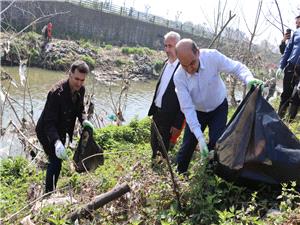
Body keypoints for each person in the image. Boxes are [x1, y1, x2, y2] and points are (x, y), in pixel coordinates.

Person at [174, 39, 263, 174]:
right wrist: (200, 138)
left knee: (217, 143)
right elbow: (187, 108)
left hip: (218, 108)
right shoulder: (179, 77)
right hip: (197, 111)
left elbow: (236, 68)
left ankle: (211, 174)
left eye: (192, 63)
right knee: (187, 146)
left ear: (197, 52)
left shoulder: (212, 57)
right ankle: (180, 175)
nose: (190, 69)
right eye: (184, 66)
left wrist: (248, 79)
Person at [36, 60, 93, 193]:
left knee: (58, 161)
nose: (79, 83)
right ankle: (48, 193)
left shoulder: (81, 90)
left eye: (82, 80)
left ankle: (52, 190)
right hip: (46, 131)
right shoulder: (56, 93)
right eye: (76, 79)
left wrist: (84, 120)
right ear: (70, 74)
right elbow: (48, 123)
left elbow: (80, 109)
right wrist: (56, 142)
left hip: (61, 129)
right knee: (55, 161)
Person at [148, 31, 185, 162]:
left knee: (163, 147)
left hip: (170, 117)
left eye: (171, 46)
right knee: (153, 141)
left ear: (178, 47)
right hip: (157, 112)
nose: (167, 49)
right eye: (166, 46)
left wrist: (178, 124)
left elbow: (185, 101)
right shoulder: (166, 64)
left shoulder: (183, 69)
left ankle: (161, 167)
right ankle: (154, 163)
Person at [276, 15, 300, 121]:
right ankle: (278, 119)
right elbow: (287, 50)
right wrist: (281, 66)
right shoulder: (296, 33)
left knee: (296, 96)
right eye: (296, 23)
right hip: (291, 67)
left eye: (298, 23)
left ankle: (289, 123)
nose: (297, 25)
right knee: (285, 94)